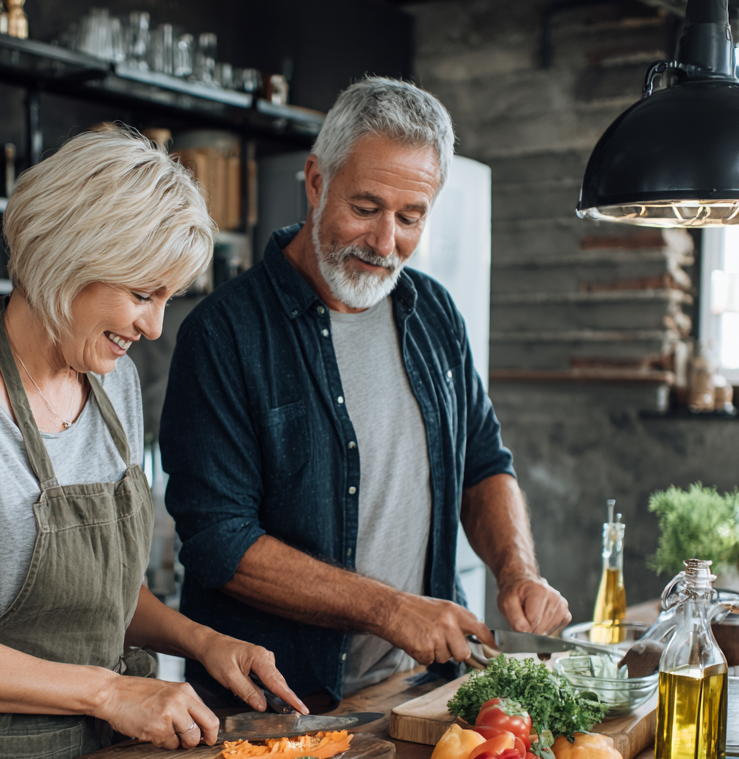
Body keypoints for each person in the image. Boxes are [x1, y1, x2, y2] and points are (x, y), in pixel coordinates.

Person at [0, 128, 306, 759]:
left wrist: (202, 640)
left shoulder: (111, 383)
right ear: (71, 260)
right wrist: (109, 691)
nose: (154, 328)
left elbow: (100, 597)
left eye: (167, 299)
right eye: (143, 294)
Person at [160, 78, 571, 712]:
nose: (385, 243)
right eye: (366, 207)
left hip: (414, 694)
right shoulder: (222, 333)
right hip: (271, 708)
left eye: (411, 218)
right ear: (317, 181)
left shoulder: (433, 311)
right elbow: (220, 542)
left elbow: (484, 465)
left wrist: (517, 570)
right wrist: (389, 609)